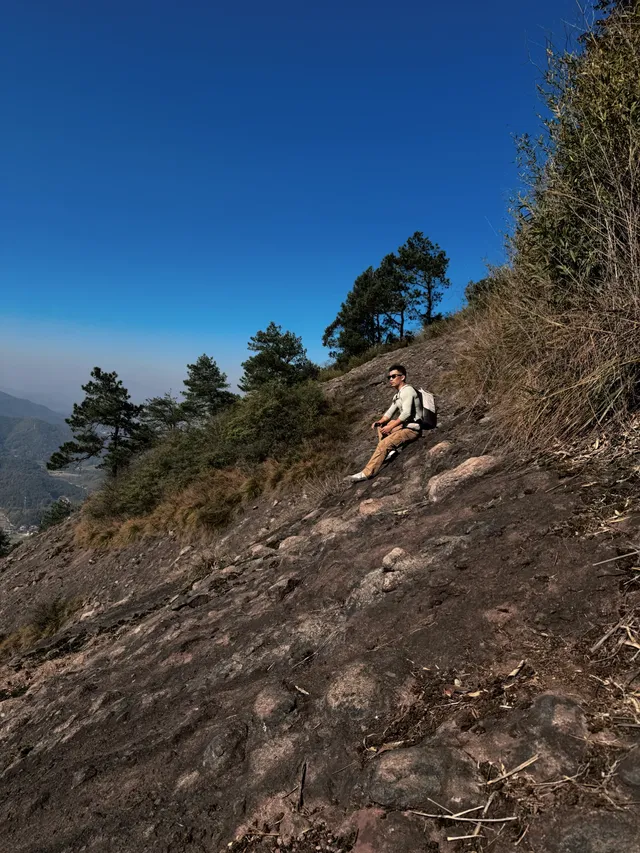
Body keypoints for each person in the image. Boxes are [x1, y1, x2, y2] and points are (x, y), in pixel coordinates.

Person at [345, 364, 424, 482]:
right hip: (404, 426)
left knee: (383, 444)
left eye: (394, 376)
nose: (391, 379)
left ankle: (366, 473)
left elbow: (406, 414)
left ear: (402, 377)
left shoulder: (408, 391)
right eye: (389, 377)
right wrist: (380, 422)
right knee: (381, 426)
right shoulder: (398, 395)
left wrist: (391, 427)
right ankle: (391, 451)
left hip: (412, 429)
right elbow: (389, 413)